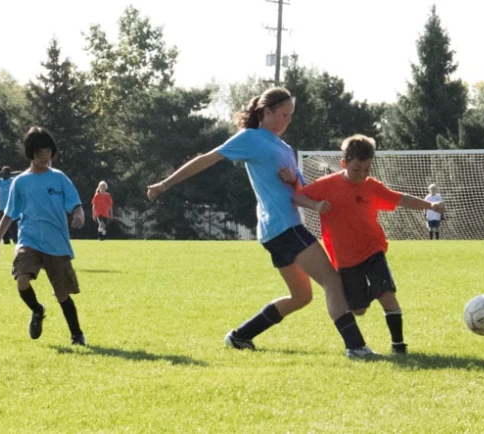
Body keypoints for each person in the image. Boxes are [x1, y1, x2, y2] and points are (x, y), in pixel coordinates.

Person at [147, 87, 374, 358]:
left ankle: (240, 336)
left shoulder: (285, 148)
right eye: (283, 114)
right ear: (266, 112)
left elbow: (300, 190)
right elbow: (207, 159)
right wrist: (165, 183)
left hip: (273, 231)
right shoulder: (251, 138)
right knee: (332, 282)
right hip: (284, 226)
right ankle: (356, 348)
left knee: (301, 296)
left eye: (291, 116)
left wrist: (293, 179)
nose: (287, 121)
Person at [289, 134, 445, 355]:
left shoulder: (372, 186)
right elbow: (297, 198)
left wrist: (429, 205)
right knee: (359, 309)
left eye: (367, 170)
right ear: (344, 163)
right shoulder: (326, 185)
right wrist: (315, 205)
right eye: (356, 170)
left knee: (388, 296)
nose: (362, 175)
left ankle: (399, 346)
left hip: (373, 250)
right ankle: (374, 290)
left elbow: (399, 198)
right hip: (344, 258)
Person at [0, 126, 87, 346]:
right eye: (41, 152)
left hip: (56, 242)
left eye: (49, 152)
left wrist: (79, 214)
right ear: (31, 153)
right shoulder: (20, 182)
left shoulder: (59, 178)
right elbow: (8, 215)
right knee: (22, 280)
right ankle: (37, 309)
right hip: (29, 239)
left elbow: (75, 203)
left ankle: (77, 334)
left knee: (62, 294)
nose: (46, 156)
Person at [0, 166, 22, 245]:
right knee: (2, 224)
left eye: (7, 173)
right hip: (1, 207)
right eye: (4, 173)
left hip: (11, 206)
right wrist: (1, 173)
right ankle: (6, 240)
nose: (6, 174)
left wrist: (10, 174)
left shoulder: (12, 181)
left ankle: (15, 239)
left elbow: (20, 173)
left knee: (13, 225)